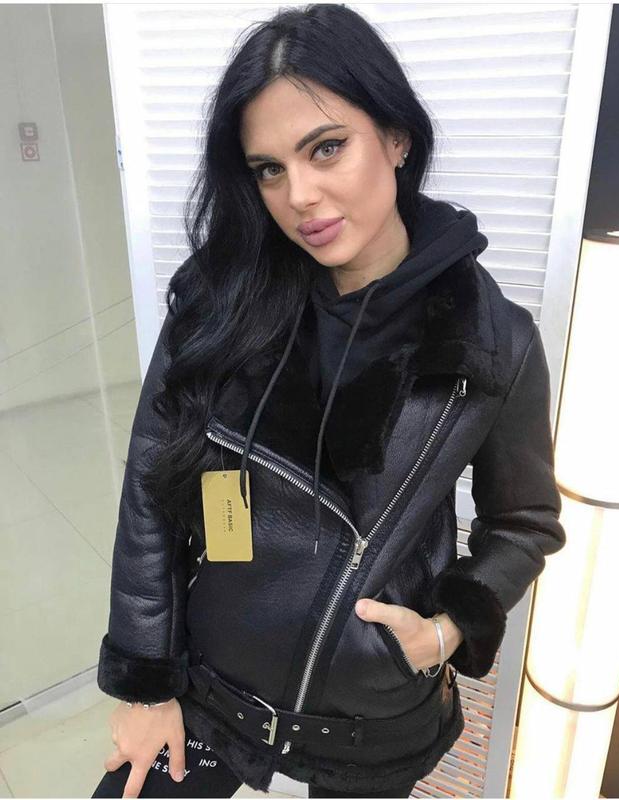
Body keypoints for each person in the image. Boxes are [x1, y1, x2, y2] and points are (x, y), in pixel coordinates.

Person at [92, 4, 566, 798]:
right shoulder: (222, 301)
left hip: (372, 720)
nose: (299, 196)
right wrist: (146, 684)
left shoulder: (489, 341)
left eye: (326, 148)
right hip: (212, 688)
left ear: (396, 137)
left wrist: (445, 632)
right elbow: (152, 491)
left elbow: (525, 522)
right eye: (268, 169)